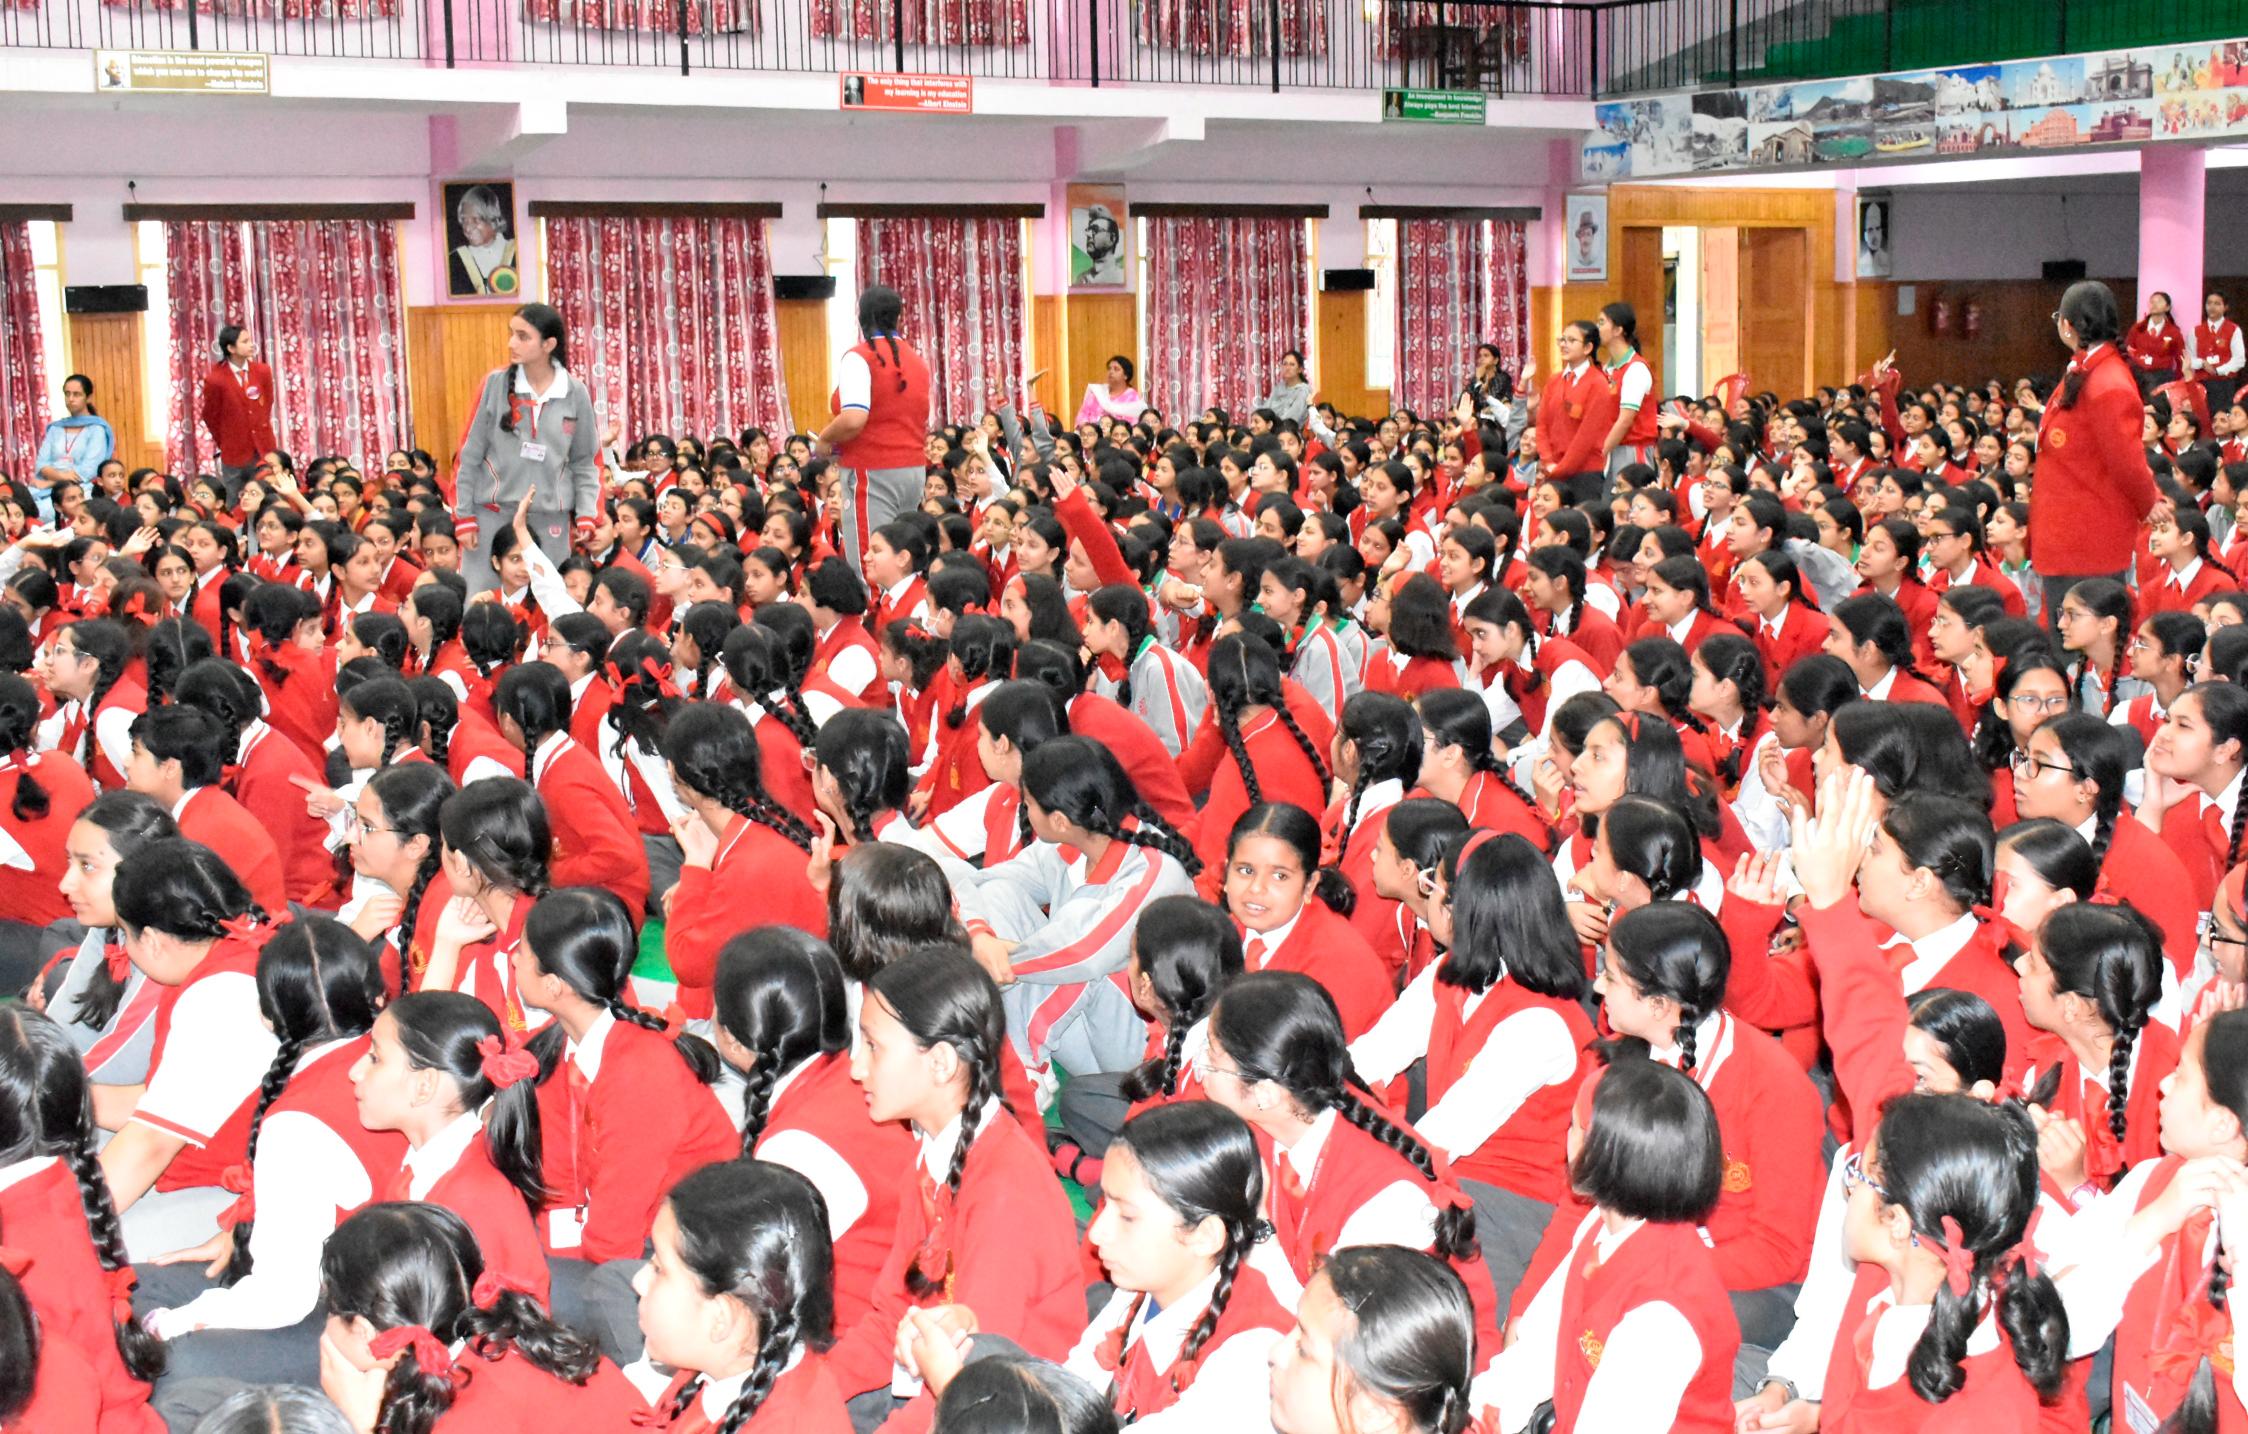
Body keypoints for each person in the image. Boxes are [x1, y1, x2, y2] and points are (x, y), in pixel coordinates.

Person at [2029, 282, 2169, 629]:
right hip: (2068, 531)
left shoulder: (2107, 382)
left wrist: (2149, 501)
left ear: (2067, 325)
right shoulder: (2087, 367)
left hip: (2086, 538)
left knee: (2079, 640)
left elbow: (2126, 461)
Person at [452, 304, 602, 595]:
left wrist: (587, 513)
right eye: (512, 334)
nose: (512, 343)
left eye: (523, 336)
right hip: (491, 517)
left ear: (548, 344)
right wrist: (464, 517)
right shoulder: (494, 384)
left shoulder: (575, 392)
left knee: (550, 606)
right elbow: (467, 457)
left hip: (550, 519)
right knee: (481, 606)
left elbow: (586, 462)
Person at [815, 285, 933, 575]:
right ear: (899, 317)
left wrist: (824, 439)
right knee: (901, 562)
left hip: (872, 470)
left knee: (871, 564)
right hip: (913, 469)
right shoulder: (917, 361)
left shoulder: (860, 357)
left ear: (862, 317)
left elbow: (854, 418)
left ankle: (875, 607)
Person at [198, 325, 277, 501]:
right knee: (235, 498)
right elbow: (210, 416)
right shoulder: (215, 380)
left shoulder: (263, 371)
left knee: (268, 496)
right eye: (245, 341)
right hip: (234, 451)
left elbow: (267, 403)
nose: (251, 345)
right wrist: (227, 440)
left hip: (264, 447)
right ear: (231, 348)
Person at [34, 373, 115, 521]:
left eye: (77, 394)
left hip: (81, 488)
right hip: (45, 487)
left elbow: (88, 470)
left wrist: (52, 482)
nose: (71, 399)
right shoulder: (56, 428)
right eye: (67, 394)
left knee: (44, 512)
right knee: (19, 504)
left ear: (88, 398)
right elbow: (41, 464)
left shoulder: (97, 429)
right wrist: (61, 477)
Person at [447, 184, 518, 298]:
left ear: (493, 220)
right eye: (464, 220)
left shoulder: (518, 254)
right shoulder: (454, 261)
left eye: (476, 220)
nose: (468, 228)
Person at [2126, 288, 2188, 394]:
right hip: (2139, 376)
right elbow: (2127, 351)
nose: (2154, 304)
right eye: (2152, 301)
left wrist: (2175, 380)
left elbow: (2181, 360)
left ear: (2167, 307)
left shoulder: (2174, 332)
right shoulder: (2137, 328)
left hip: (2162, 377)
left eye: (2159, 301)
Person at [2194, 289, 2244, 414]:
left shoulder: (2233, 329)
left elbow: (2239, 360)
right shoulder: (2196, 330)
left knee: (2222, 416)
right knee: (2203, 417)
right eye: (2209, 303)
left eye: (2217, 303)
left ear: (2225, 307)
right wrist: (2201, 363)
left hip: (2224, 383)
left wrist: (2218, 370)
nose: (2212, 307)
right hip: (2202, 383)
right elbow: (2189, 358)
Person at [1076, 354, 1146, 428]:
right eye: (1109, 369)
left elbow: (1134, 424)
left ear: (1126, 376)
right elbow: (1083, 415)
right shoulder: (1098, 393)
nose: (1111, 372)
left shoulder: (1133, 398)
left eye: (1116, 369)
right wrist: (1089, 430)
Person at [1258, 350, 1313, 426]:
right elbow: (1264, 410)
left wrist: (1269, 425)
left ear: (1300, 369)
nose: (1287, 368)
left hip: (1288, 429)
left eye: (1292, 364)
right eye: (1285, 364)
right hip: (1270, 427)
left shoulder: (1303, 391)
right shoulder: (1279, 388)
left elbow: (1292, 419)